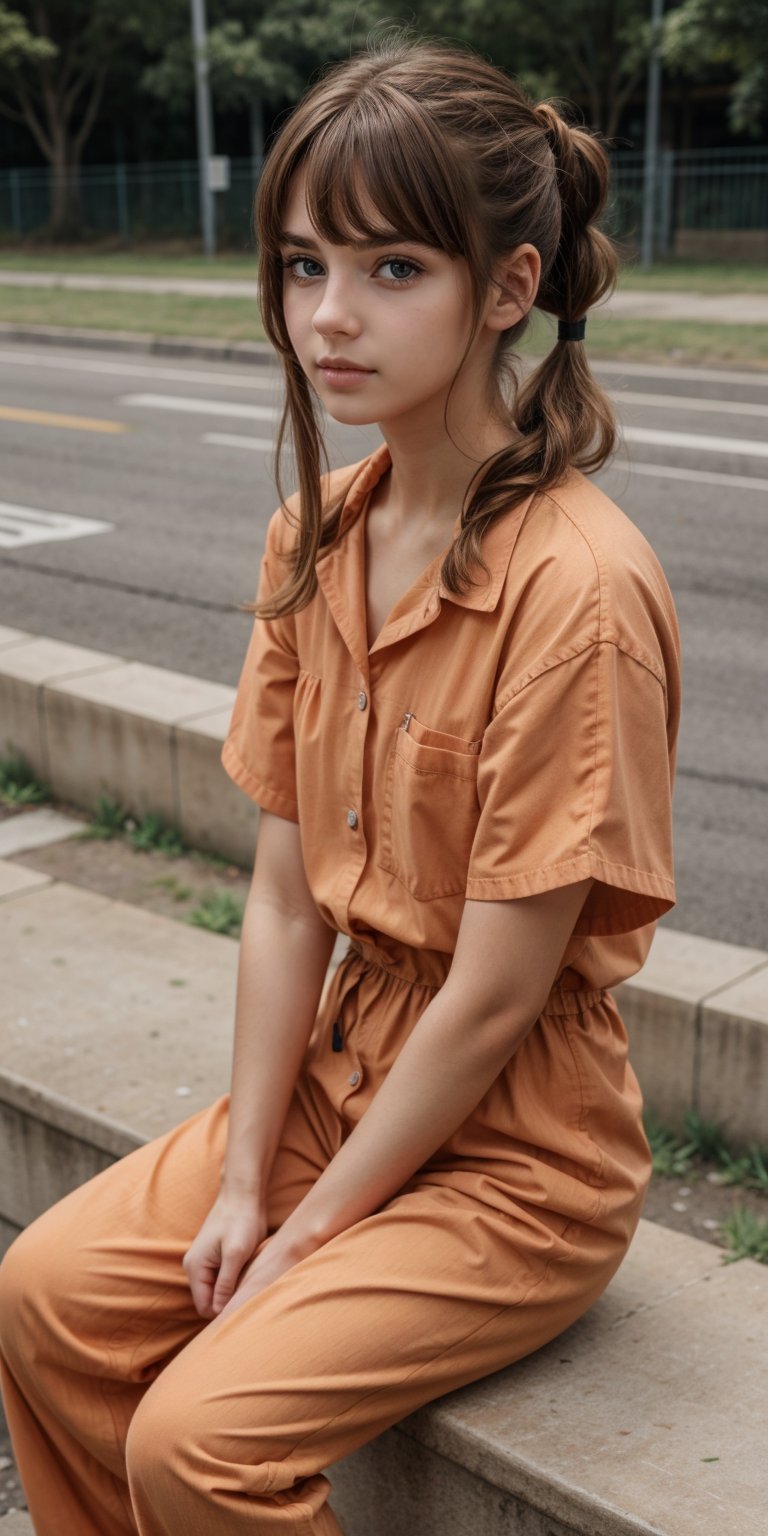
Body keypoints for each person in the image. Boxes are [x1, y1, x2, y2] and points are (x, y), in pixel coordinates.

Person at [0, 28, 681, 1536]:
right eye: (305, 266)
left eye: (390, 270)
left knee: (201, 1438)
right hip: (338, 1080)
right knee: (46, 1297)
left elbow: (499, 998)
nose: (328, 318)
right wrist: (247, 1179)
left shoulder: (581, 590)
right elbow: (281, 894)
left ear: (508, 288)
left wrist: (309, 1231)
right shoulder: (315, 532)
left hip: (520, 1159)